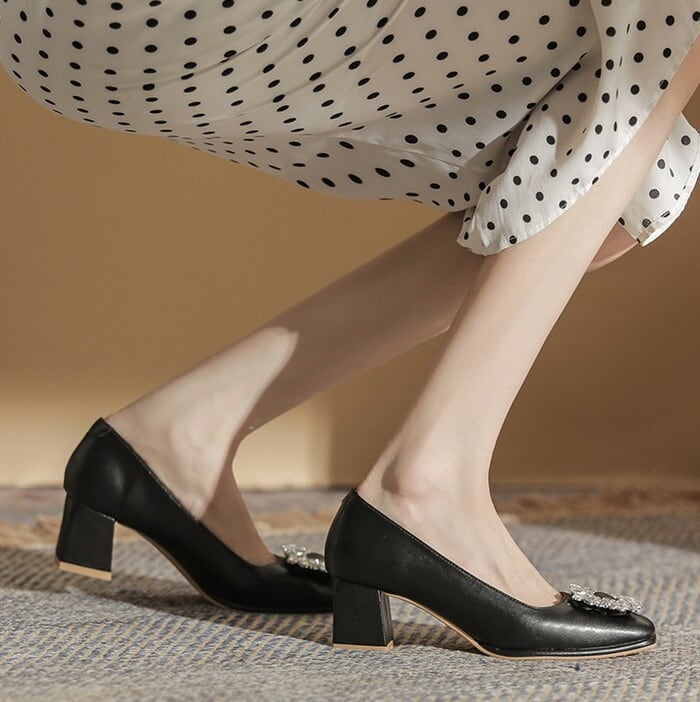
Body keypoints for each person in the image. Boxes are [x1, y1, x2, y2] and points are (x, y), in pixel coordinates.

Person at [1, 1, 698, 659]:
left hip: (60, 33)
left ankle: (182, 432)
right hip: (162, 25)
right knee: (656, 41)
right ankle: (427, 483)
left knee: (630, 155)